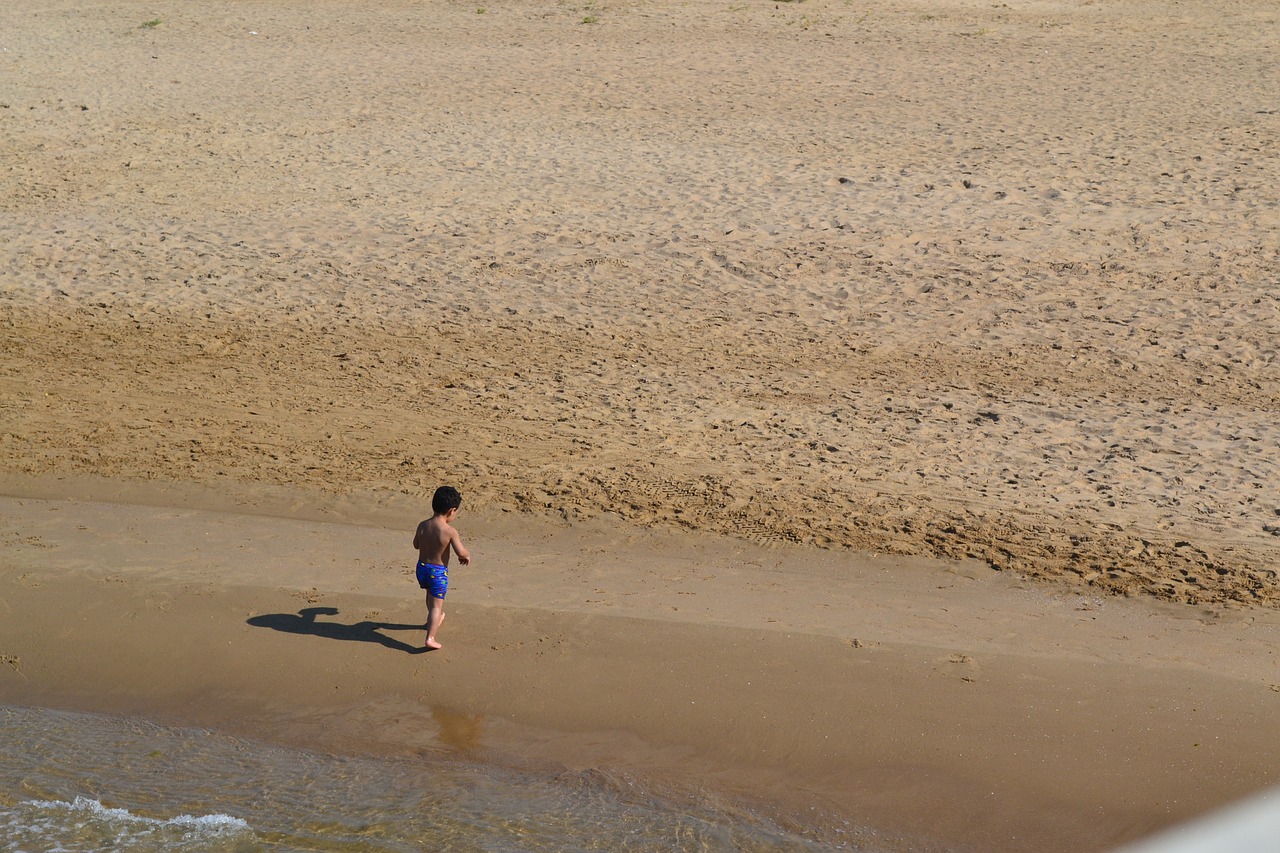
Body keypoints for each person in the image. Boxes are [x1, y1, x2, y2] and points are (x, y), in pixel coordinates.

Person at [412, 486, 472, 650]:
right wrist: (466, 555)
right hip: (437, 572)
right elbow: (460, 551)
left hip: (422, 568)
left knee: (429, 595)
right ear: (452, 510)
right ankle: (430, 638)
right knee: (436, 606)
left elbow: (416, 545)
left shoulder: (423, 525)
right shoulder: (449, 531)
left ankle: (431, 621)